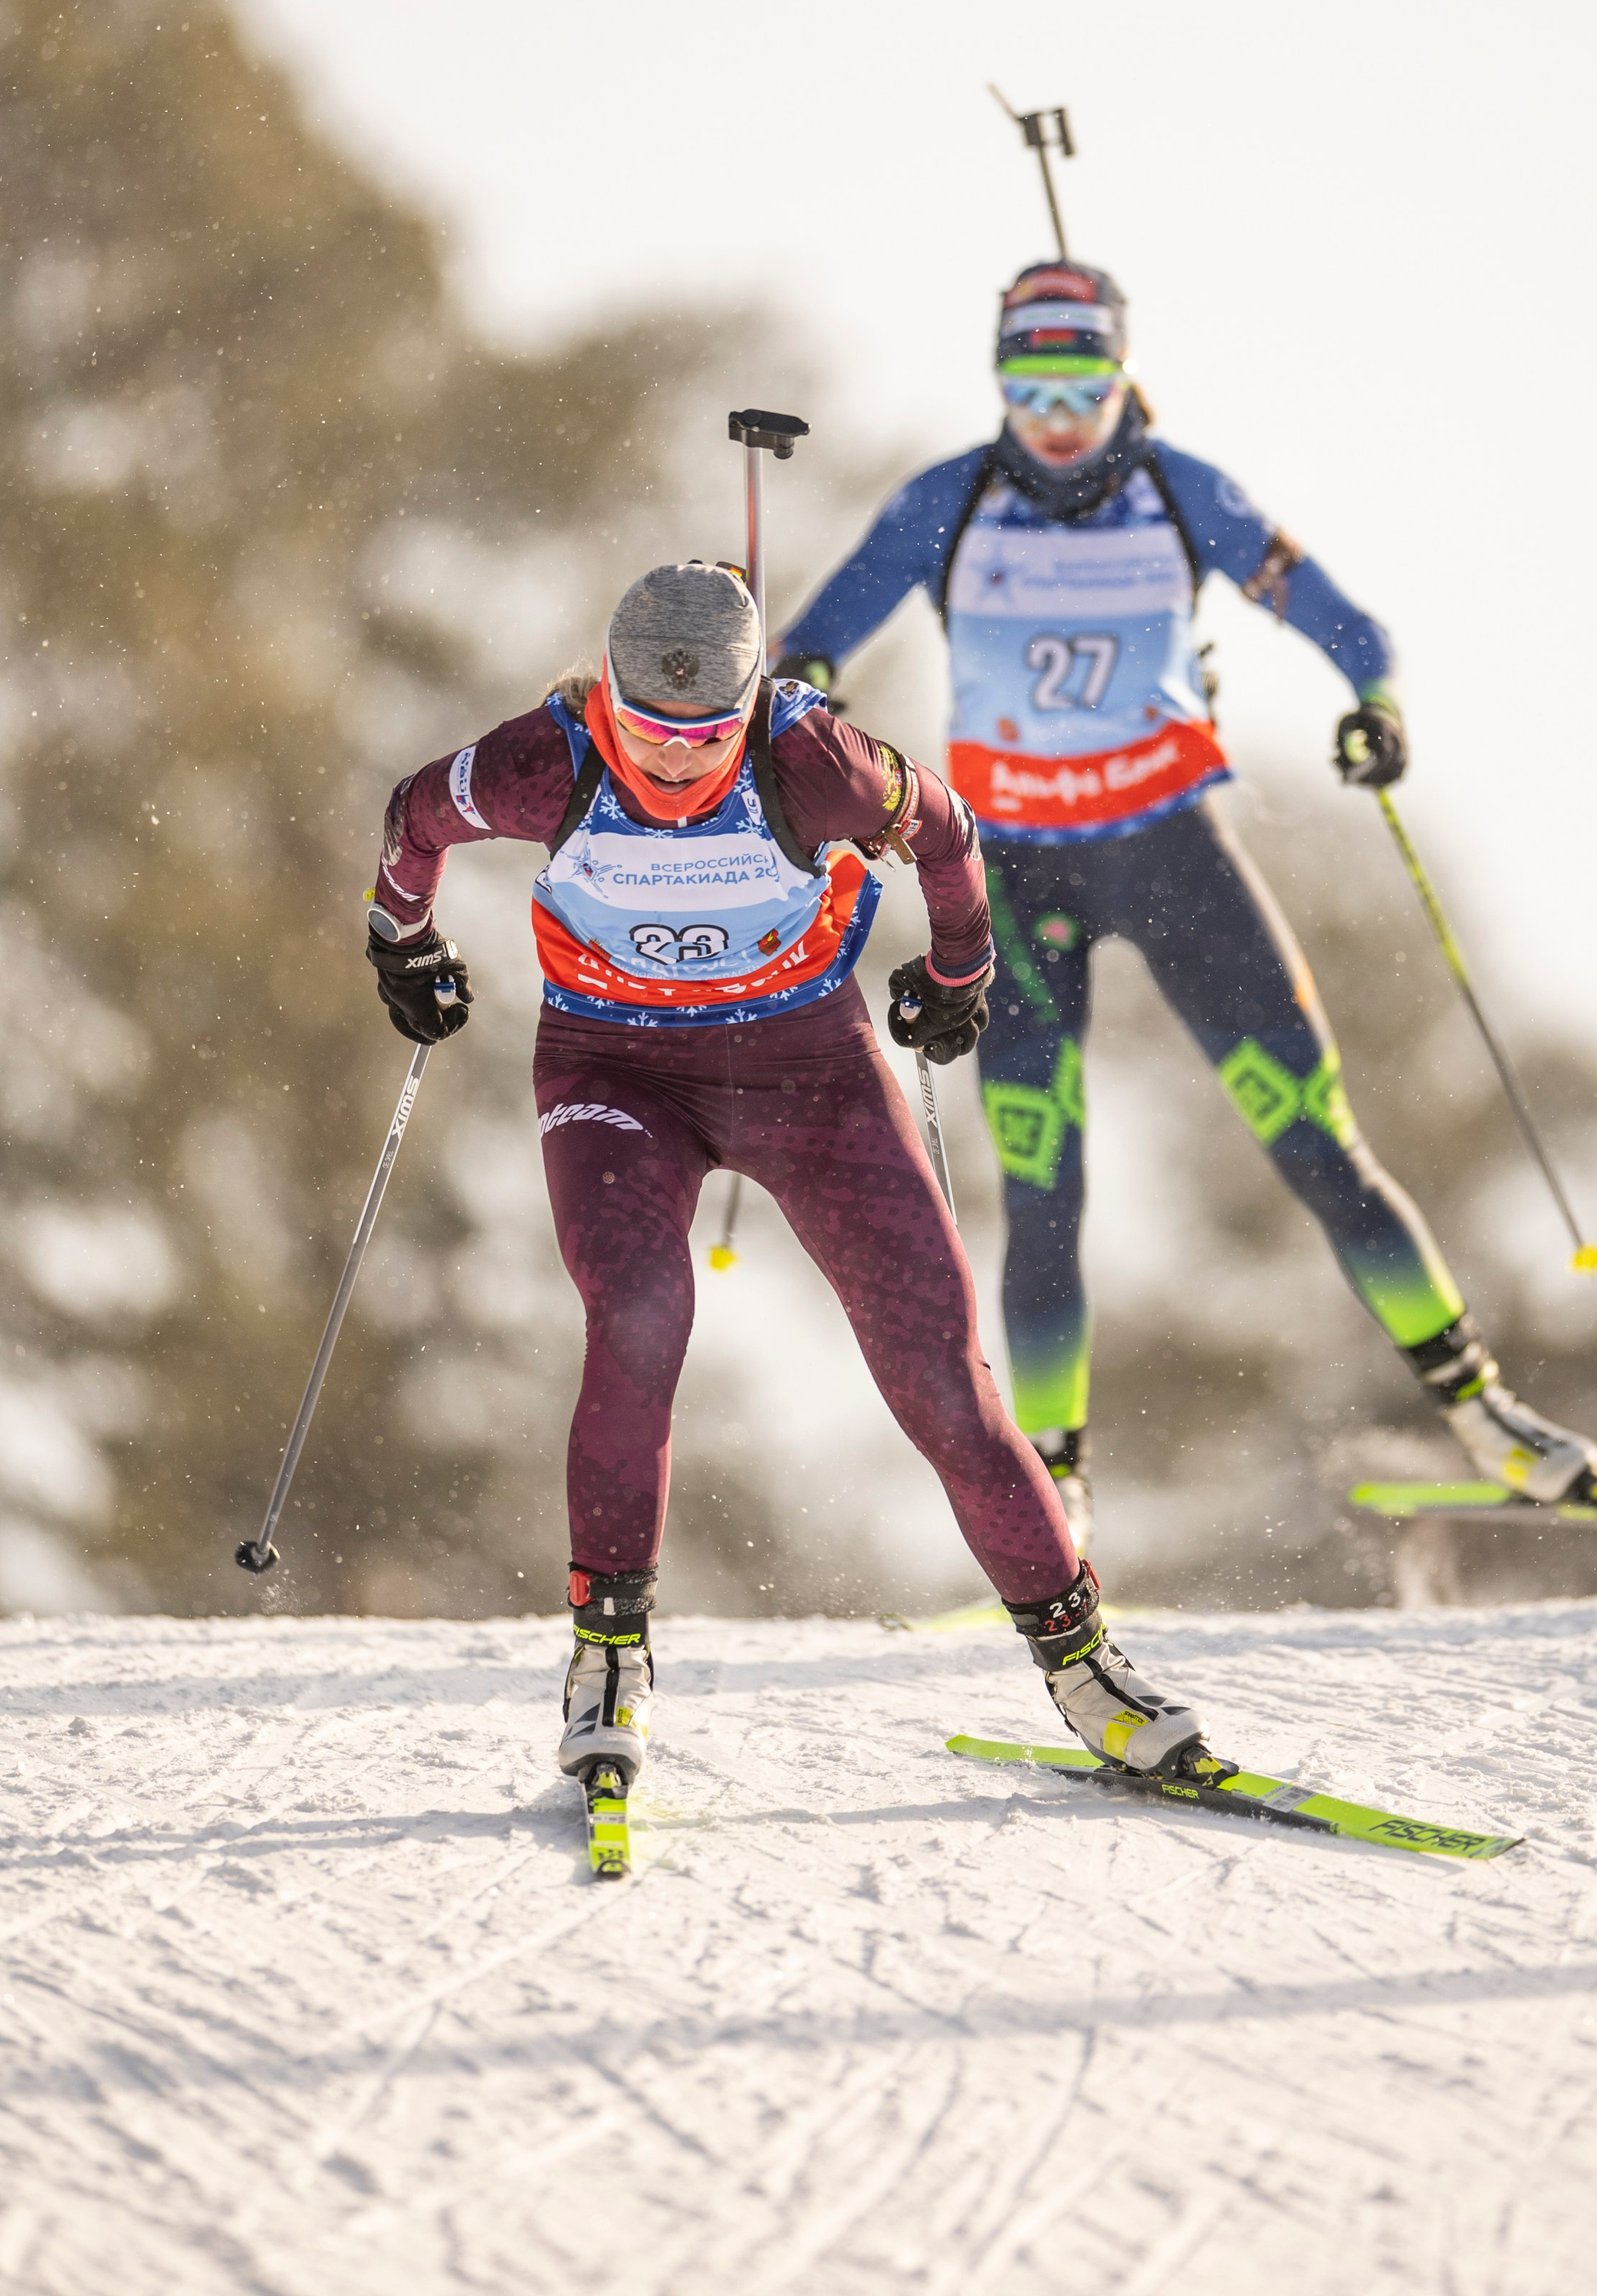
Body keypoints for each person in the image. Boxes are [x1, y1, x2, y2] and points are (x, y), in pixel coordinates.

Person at [363, 555, 1226, 1790]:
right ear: (605, 694)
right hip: (619, 1077)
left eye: (704, 736)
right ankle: (607, 1655)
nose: (670, 762)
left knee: (940, 1374)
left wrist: (960, 972)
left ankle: (1085, 1665)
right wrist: (403, 941)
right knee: (641, 1316)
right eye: (647, 730)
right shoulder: (540, 762)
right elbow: (412, 816)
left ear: (750, 707)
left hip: (810, 1074)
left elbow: (950, 832)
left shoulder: (816, 764)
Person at [777, 263, 1597, 1549]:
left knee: (1316, 1139)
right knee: (1047, 1184)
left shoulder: (1182, 494)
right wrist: (801, 719)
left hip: (1175, 856)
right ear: (998, 384)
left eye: (1082, 382)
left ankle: (1486, 1415)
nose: (1056, 414)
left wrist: (1373, 709)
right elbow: (815, 644)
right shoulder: (953, 501)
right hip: (1016, 877)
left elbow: (1349, 623)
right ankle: (1059, 1483)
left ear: (1122, 375)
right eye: (1028, 385)